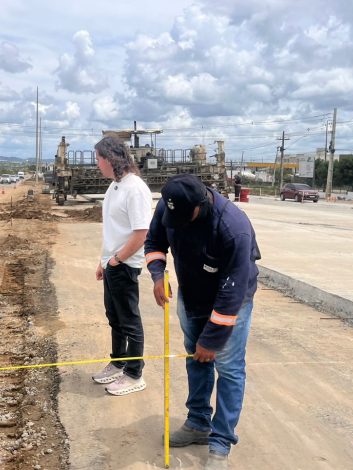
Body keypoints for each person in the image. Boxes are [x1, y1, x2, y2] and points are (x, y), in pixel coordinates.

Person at [144, 174, 260, 469]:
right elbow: (154, 241)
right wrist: (158, 274)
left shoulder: (233, 227)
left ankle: (220, 443)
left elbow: (232, 292)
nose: (178, 222)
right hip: (192, 294)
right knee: (195, 359)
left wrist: (212, 338)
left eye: (185, 218)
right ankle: (198, 423)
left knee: (229, 368)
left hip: (230, 301)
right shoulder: (171, 206)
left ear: (200, 204)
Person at [91, 135, 153, 396]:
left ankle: (134, 374)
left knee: (129, 320)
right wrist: (104, 261)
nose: (97, 165)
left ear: (111, 158)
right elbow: (115, 230)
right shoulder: (115, 186)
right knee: (114, 316)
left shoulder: (134, 188)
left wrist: (117, 260)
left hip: (125, 265)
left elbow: (142, 233)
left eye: (98, 159)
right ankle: (118, 362)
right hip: (112, 263)